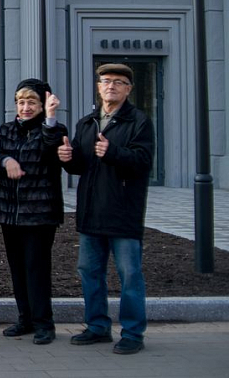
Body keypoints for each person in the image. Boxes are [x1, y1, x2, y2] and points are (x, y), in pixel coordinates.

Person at [58, 64, 155, 355]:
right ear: (98, 87)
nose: (111, 86)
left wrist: (113, 152)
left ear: (128, 89)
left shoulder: (139, 121)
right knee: (89, 271)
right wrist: (66, 158)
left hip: (123, 211)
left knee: (129, 274)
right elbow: (79, 165)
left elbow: (143, 160)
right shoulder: (87, 123)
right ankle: (98, 327)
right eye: (106, 81)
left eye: (118, 82)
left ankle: (133, 332)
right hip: (91, 211)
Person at [0, 78, 67, 345]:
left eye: (32, 102)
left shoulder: (53, 129)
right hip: (10, 212)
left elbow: (48, 148)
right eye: (21, 102)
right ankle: (25, 319)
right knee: (17, 269)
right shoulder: (8, 129)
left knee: (37, 269)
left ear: (43, 104)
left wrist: (51, 118)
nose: (25, 107)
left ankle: (45, 323)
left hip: (40, 213)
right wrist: (5, 160)